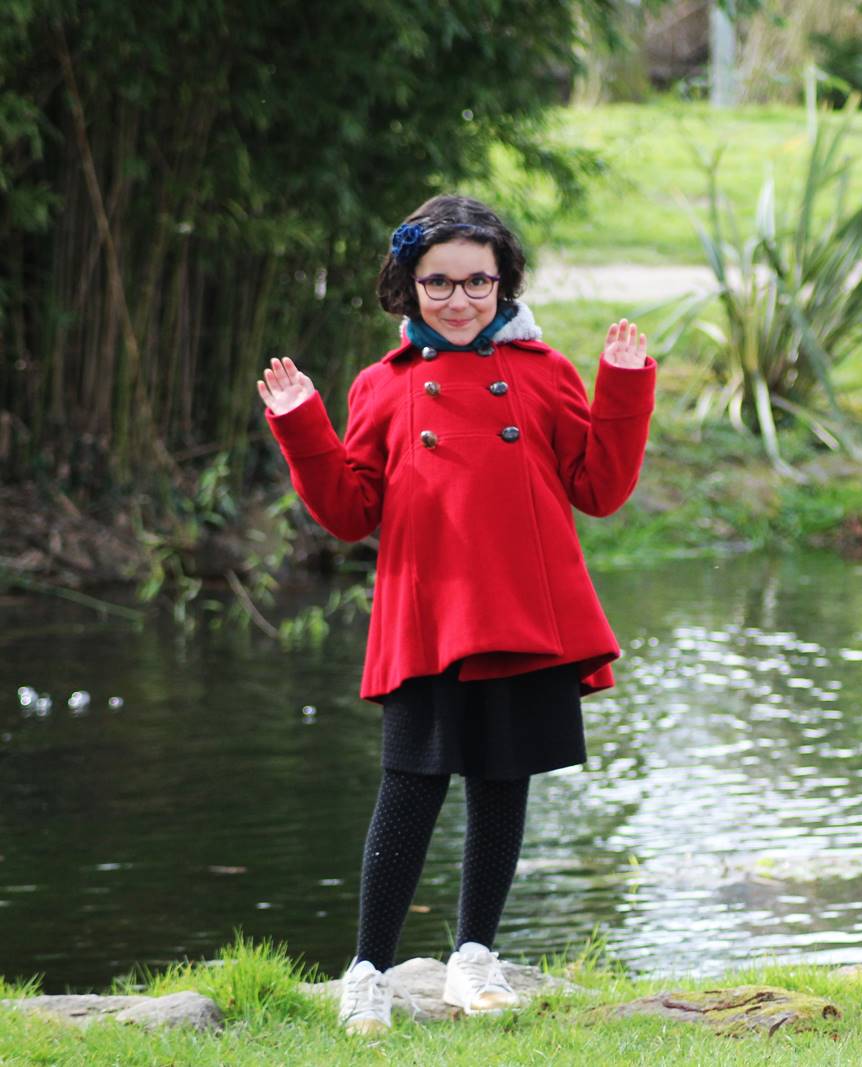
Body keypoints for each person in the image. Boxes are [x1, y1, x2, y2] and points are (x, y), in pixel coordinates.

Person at [255, 194, 654, 1034]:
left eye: (479, 281)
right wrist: (303, 425)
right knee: (410, 788)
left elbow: (600, 488)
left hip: (524, 606)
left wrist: (622, 389)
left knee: (502, 783)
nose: (461, 299)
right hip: (427, 612)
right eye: (439, 282)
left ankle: (475, 958)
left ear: (504, 282)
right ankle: (367, 969)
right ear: (409, 286)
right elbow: (349, 509)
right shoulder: (383, 384)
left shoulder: (545, 371)